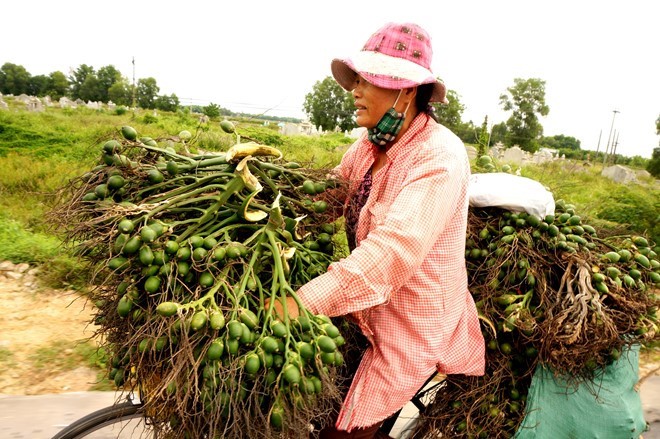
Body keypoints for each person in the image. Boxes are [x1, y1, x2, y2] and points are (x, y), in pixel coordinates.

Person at [271, 22, 485, 438]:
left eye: (367, 81)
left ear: (405, 90)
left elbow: (390, 253)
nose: (354, 90)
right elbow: (324, 201)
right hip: (366, 309)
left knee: (343, 433)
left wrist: (299, 303)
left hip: (410, 321)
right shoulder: (368, 148)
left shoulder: (438, 157)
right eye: (357, 80)